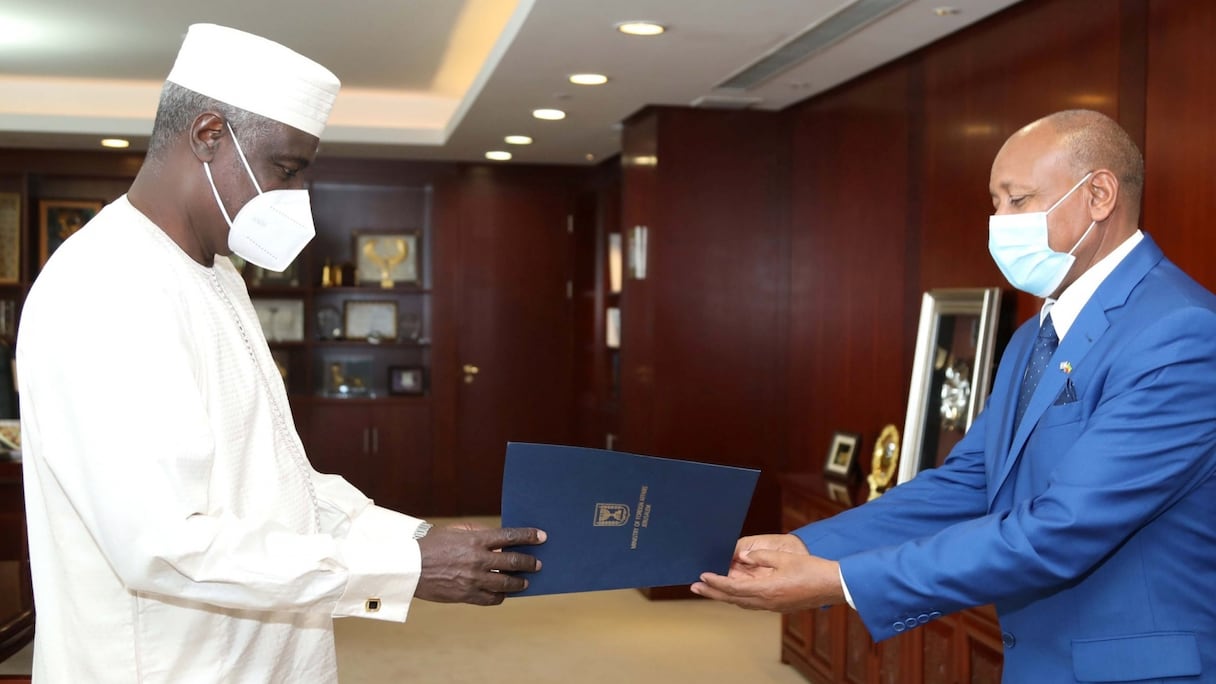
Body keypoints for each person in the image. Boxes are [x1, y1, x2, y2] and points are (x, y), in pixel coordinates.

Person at [18, 24, 545, 682]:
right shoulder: (106, 286)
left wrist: (413, 539)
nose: (295, 196)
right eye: (285, 168)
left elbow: (276, 484)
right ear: (209, 136)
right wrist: (403, 571)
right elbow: (164, 545)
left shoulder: (219, 275)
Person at [693, 110, 1216, 682]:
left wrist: (842, 580)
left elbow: (1062, 529)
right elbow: (968, 483)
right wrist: (805, 548)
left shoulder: (1178, 333)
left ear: (1098, 195)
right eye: (994, 204)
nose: (999, 222)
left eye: (1017, 200)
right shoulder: (1032, 336)